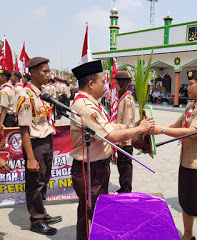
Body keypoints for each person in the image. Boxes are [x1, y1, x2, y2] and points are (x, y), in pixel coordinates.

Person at [70, 60, 155, 240]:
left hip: (97, 167)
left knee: (91, 211)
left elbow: (109, 127)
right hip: (89, 170)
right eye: (103, 82)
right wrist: (139, 130)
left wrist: (131, 126)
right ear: (91, 84)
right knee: (89, 213)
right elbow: (110, 136)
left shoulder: (92, 103)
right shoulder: (85, 106)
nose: (107, 86)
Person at [151, 70, 197, 240]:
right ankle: (188, 234)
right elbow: (177, 124)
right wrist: (155, 129)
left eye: (191, 84)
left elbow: (193, 132)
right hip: (187, 162)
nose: (187, 88)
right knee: (186, 203)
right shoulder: (192, 105)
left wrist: (163, 130)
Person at [17, 57, 61, 235]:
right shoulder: (26, 95)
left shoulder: (41, 93)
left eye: (49, 71)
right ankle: (36, 220)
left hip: (46, 141)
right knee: (35, 183)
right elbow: (24, 128)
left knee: (44, 180)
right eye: (45, 72)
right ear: (33, 72)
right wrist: (30, 157)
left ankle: (42, 212)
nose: (48, 75)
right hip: (34, 144)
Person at [113, 71, 135, 193]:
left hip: (125, 141)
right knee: (121, 166)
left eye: (117, 83)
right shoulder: (122, 97)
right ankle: (123, 187)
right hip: (121, 139)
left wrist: (123, 140)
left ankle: (126, 190)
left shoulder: (127, 98)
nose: (116, 86)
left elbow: (127, 121)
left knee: (125, 166)